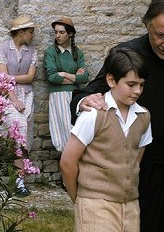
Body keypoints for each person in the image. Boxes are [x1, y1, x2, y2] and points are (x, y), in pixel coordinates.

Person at [70, 0, 164, 231]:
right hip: (148, 165)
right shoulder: (128, 53)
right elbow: (87, 94)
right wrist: (84, 102)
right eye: (160, 35)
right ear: (147, 25)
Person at [60, 47, 152, 231]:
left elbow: (135, 160)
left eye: (141, 85)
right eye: (131, 84)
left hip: (130, 205)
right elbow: (67, 162)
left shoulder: (143, 116)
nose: (137, 91)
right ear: (111, 80)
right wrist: (79, 199)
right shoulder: (94, 114)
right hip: (95, 204)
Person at [0, 15, 38, 197]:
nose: (32, 35)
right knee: (15, 135)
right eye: (30, 32)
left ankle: (19, 180)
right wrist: (14, 99)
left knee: (25, 134)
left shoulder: (32, 51)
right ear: (21, 32)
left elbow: (29, 78)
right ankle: (17, 181)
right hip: (7, 97)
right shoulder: (2, 50)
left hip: (27, 96)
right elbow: (2, 83)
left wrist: (9, 77)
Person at [44, 17, 89, 151]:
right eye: (56, 32)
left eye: (61, 32)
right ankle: (66, 164)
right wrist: (75, 76)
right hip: (58, 96)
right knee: (63, 132)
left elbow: (85, 77)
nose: (57, 35)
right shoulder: (51, 52)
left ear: (70, 34)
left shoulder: (77, 53)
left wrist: (64, 74)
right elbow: (52, 77)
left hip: (76, 96)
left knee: (76, 129)